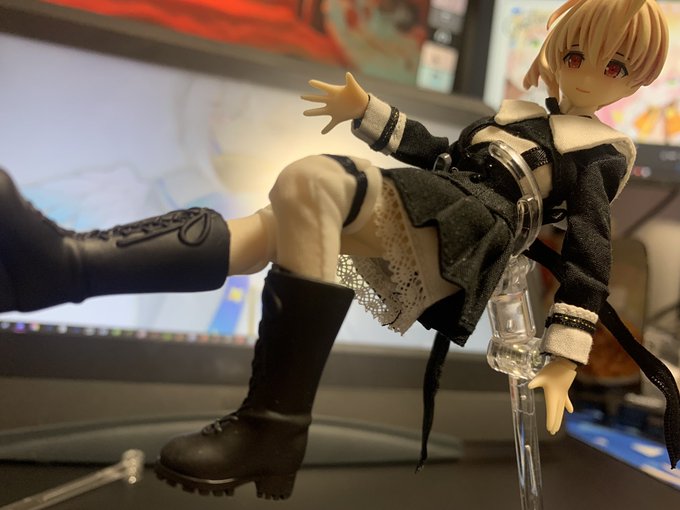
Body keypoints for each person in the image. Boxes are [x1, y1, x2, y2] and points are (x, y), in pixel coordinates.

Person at [0, 0, 672, 500]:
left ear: (636, 82)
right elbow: (438, 154)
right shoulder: (512, 119)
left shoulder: (596, 155)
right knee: (272, 228)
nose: (590, 75)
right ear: (553, 50)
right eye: (576, 55)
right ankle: (66, 265)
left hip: (469, 237)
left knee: (312, 181)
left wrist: (563, 362)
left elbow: (589, 259)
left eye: (614, 66)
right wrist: (367, 111)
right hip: (441, 202)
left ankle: (273, 426)